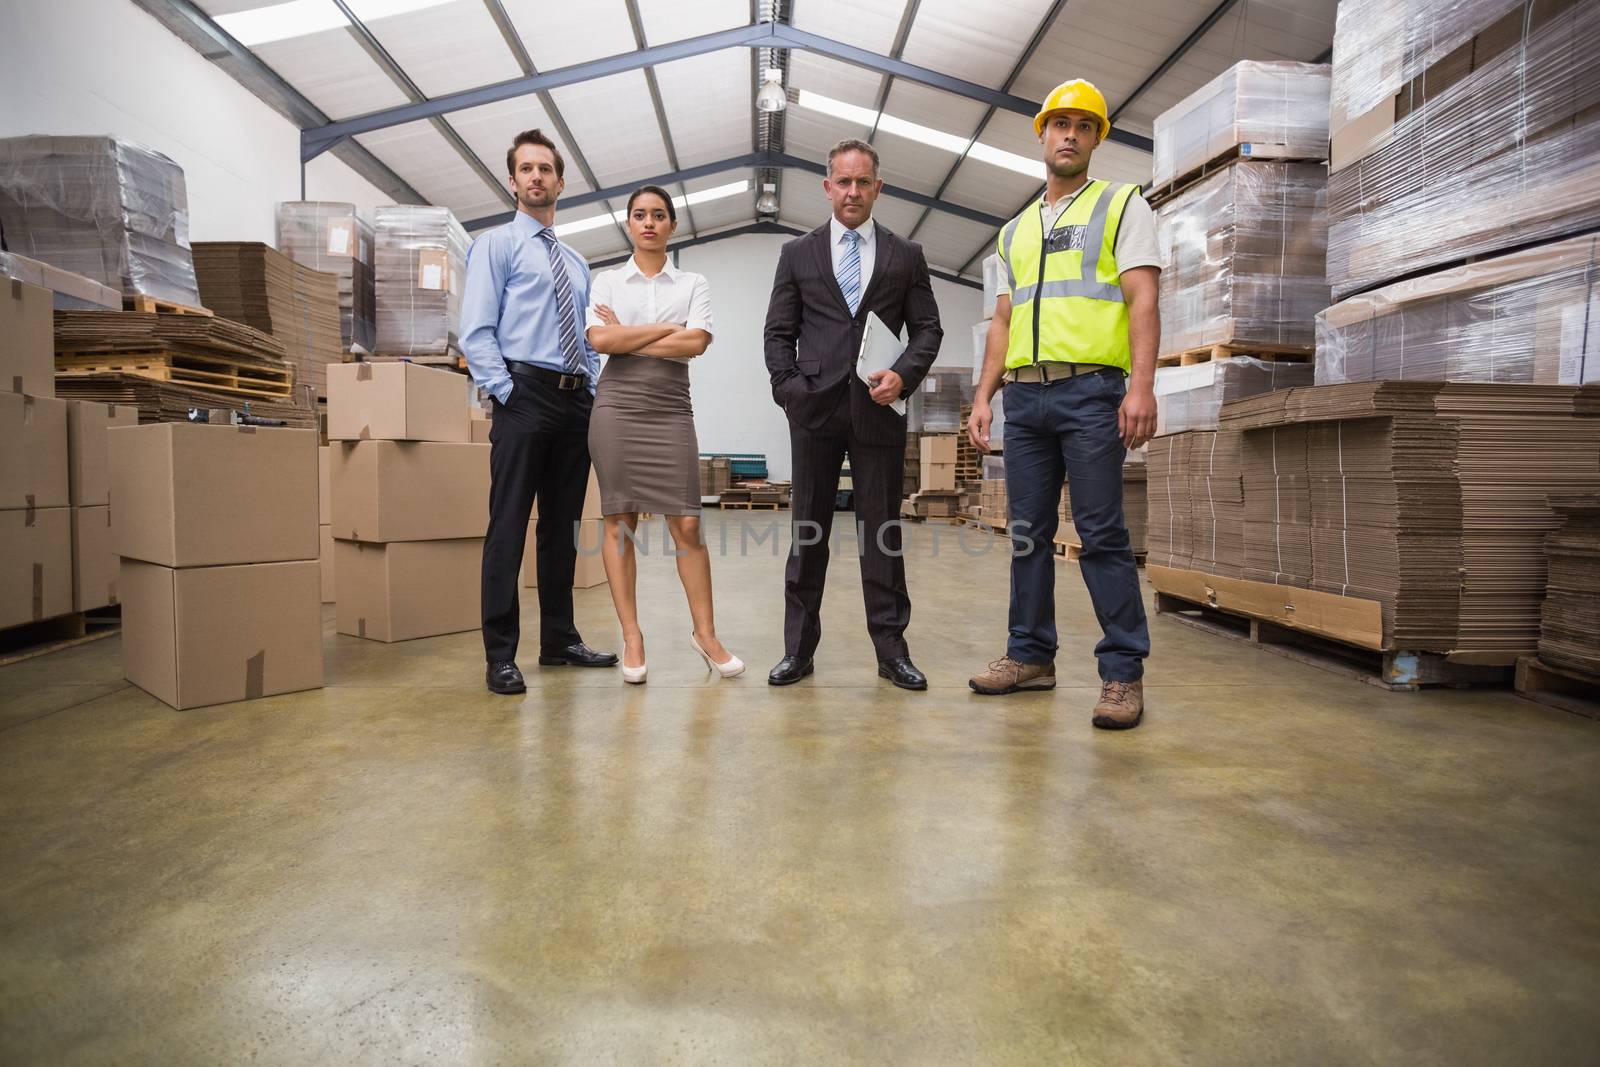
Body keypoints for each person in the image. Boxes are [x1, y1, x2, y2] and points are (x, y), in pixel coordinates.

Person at [965, 79, 1160, 729]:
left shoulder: (1121, 205)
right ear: (1042, 135)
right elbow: (1001, 319)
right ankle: (1031, 656)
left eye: (1083, 125)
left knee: (1102, 532)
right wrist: (983, 395)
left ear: (1098, 137)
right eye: (1059, 124)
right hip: (1025, 399)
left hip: (1092, 392)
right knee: (1028, 535)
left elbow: (1142, 299)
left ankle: (1122, 672)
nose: (1070, 134)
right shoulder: (1014, 231)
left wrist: (1141, 386)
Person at [763, 138, 943, 691]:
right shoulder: (798, 254)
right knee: (808, 534)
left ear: (878, 188)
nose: (853, 192)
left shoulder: (904, 254)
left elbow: (928, 328)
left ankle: (891, 652)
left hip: (878, 409)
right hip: (814, 411)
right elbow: (777, 333)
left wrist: (904, 375)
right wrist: (791, 392)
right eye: (843, 181)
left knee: (881, 535)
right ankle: (798, 651)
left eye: (863, 182)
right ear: (827, 187)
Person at [462, 128, 619, 696]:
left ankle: (558, 639)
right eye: (525, 169)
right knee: (507, 527)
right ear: (512, 180)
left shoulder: (575, 261)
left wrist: (593, 392)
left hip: (575, 400)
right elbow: (476, 328)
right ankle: (500, 654)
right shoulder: (497, 245)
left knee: (562, 528)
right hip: (523, 395)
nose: (536, 178)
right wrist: (504, 391)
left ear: (560, 181)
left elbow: (585, 331)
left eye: (545, 169)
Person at [584, 185, 743, 685]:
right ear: (628, 224)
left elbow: (695, 344)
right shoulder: (606, 282)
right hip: (616, 409)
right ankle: (632, 636)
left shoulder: (693, 281)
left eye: (658, 215)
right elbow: (600, 340)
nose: (648, 222)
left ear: (673, 225)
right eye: (639, 215)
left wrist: (631, 335)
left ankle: (706, 634)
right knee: (619, 523)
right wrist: (665, 329)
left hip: (671, 410)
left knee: (688, 527)